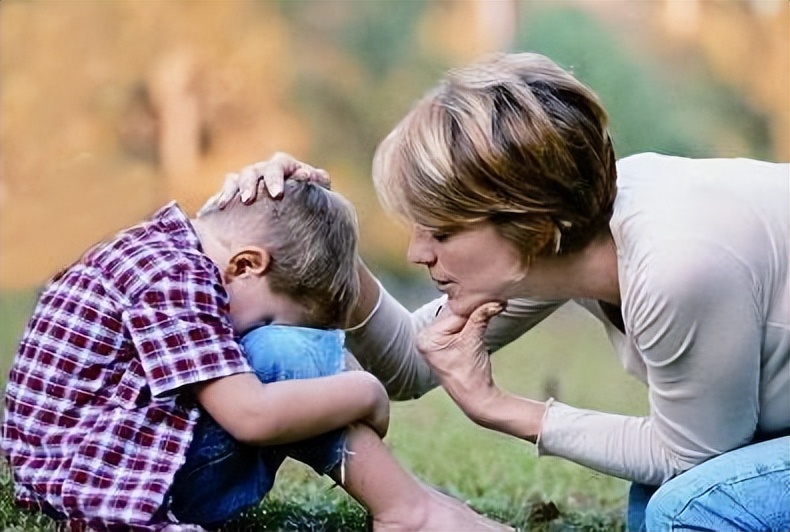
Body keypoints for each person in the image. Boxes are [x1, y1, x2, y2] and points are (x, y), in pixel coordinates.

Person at [209, 53, 790, 531]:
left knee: (685, 510)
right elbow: (414, 361)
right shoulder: (567, 236)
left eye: (440, 230)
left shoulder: (678, 264)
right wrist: (310, 232)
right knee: (659, 508)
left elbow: (692, 461)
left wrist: (502, 408)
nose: (418, 254)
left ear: (530, 224)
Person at [2, 179, 509, 531]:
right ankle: (407, 511)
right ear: (247, 265)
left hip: (83, 470)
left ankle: (409, 503)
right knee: (289, 350)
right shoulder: (176, 279)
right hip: (115, 484)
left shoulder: (158, 249)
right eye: (266, 313)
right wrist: (368, 391)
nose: (247, 330)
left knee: (283, 354)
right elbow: (250, 417)